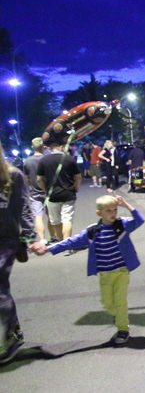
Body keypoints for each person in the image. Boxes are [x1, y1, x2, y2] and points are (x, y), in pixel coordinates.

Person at [36, 195, 145, 345]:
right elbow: (70, 242)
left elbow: (139, 220)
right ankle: (119, 316)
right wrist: (48, 249)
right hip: (105, 274)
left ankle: (123, 330)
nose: (113, 213)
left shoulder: (122, 225)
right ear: (99, 213)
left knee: (120, 302)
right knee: (107, 303)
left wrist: (126, 204)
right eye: (108, 210)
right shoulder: (93, 232)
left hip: (121, 272)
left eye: (115, 210)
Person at [0, 141, 42, 364]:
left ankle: (11, 335)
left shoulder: (12, 176)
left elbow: (24, 208)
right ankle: (11, 330)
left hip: (5, 240)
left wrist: (29, 238)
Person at [36, 140, 82, 248]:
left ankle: (62, 243)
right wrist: (76, 187)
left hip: (52, 195)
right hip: (68, 193)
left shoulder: (44, 160)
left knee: (55, 221)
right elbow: (78, 176)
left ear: (50, 148)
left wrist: (45, 190)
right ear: (61, 147)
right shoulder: (69, 159)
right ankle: (68, 243)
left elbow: (39, 179)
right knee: (67, 219)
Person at [22, 137, 49, 244]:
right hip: (48, 191)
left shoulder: (27, 161)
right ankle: (54, 236)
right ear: (43, 146)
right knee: (51, 216)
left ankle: (42, 239)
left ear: (32, 147)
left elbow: (27, 178)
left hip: (34, 192)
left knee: (38, 216)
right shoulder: (47, 159)